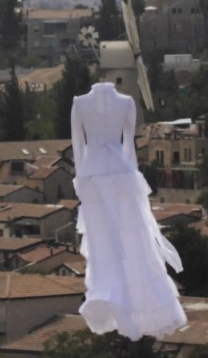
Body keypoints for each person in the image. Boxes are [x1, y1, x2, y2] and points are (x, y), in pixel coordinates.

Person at [70, 82, 188, 340]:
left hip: (94, 175)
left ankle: (119, 298)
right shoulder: (120, 102)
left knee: (112, 239)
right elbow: (128, 147)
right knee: (127, 239)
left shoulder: (85, 103)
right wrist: (131, 175)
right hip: (120, 174)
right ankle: (118, 297)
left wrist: (80, 179)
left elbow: (79, 146)